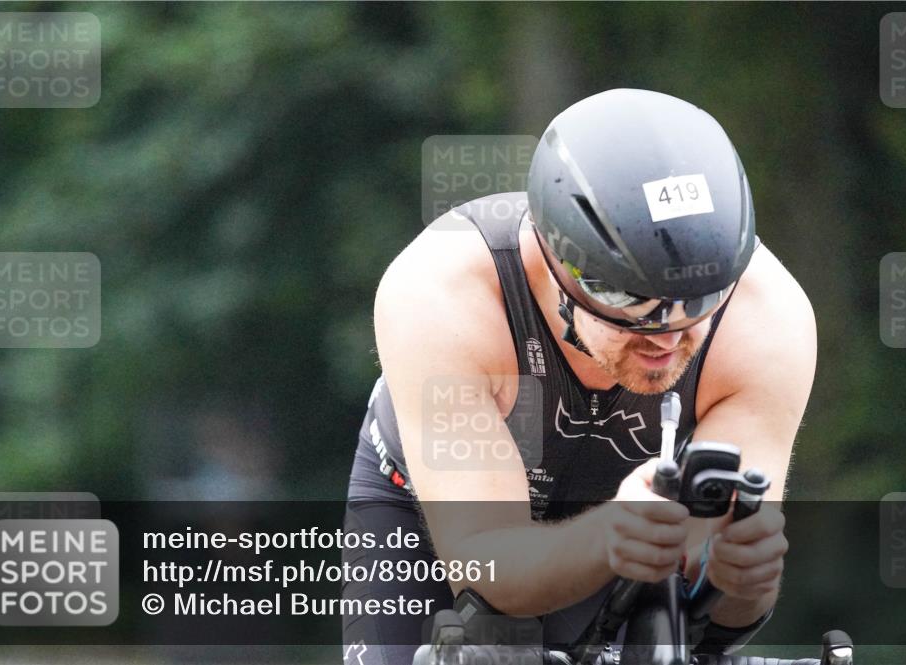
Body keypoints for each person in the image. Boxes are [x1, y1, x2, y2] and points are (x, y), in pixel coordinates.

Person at [342, 89, 816, 665]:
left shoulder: (767, 321)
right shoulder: (443, 292)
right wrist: (607, 535)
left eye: (699, 300)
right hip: (434, 520)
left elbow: (720, 622)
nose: (666, 335)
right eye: (631, 301)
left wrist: (743, 575)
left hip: (631, 530)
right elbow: (486, 566)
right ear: (555, 260)